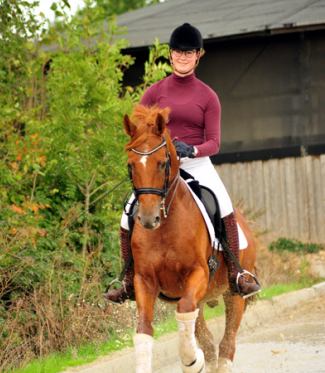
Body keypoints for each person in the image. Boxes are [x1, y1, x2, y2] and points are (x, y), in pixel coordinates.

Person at [104, 23, 260, 304]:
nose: (183, 57)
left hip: (197, 165)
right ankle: (128, 280)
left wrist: (193, 149)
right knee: (126, 215)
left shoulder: (208, 96)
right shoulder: (153, 92)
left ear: (198, 55)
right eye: (178, 52)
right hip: (159, 169)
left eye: (189, 53)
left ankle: (237, 273)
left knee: (224, 207)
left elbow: (215, 142)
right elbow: (141, 136)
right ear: (170, 54)